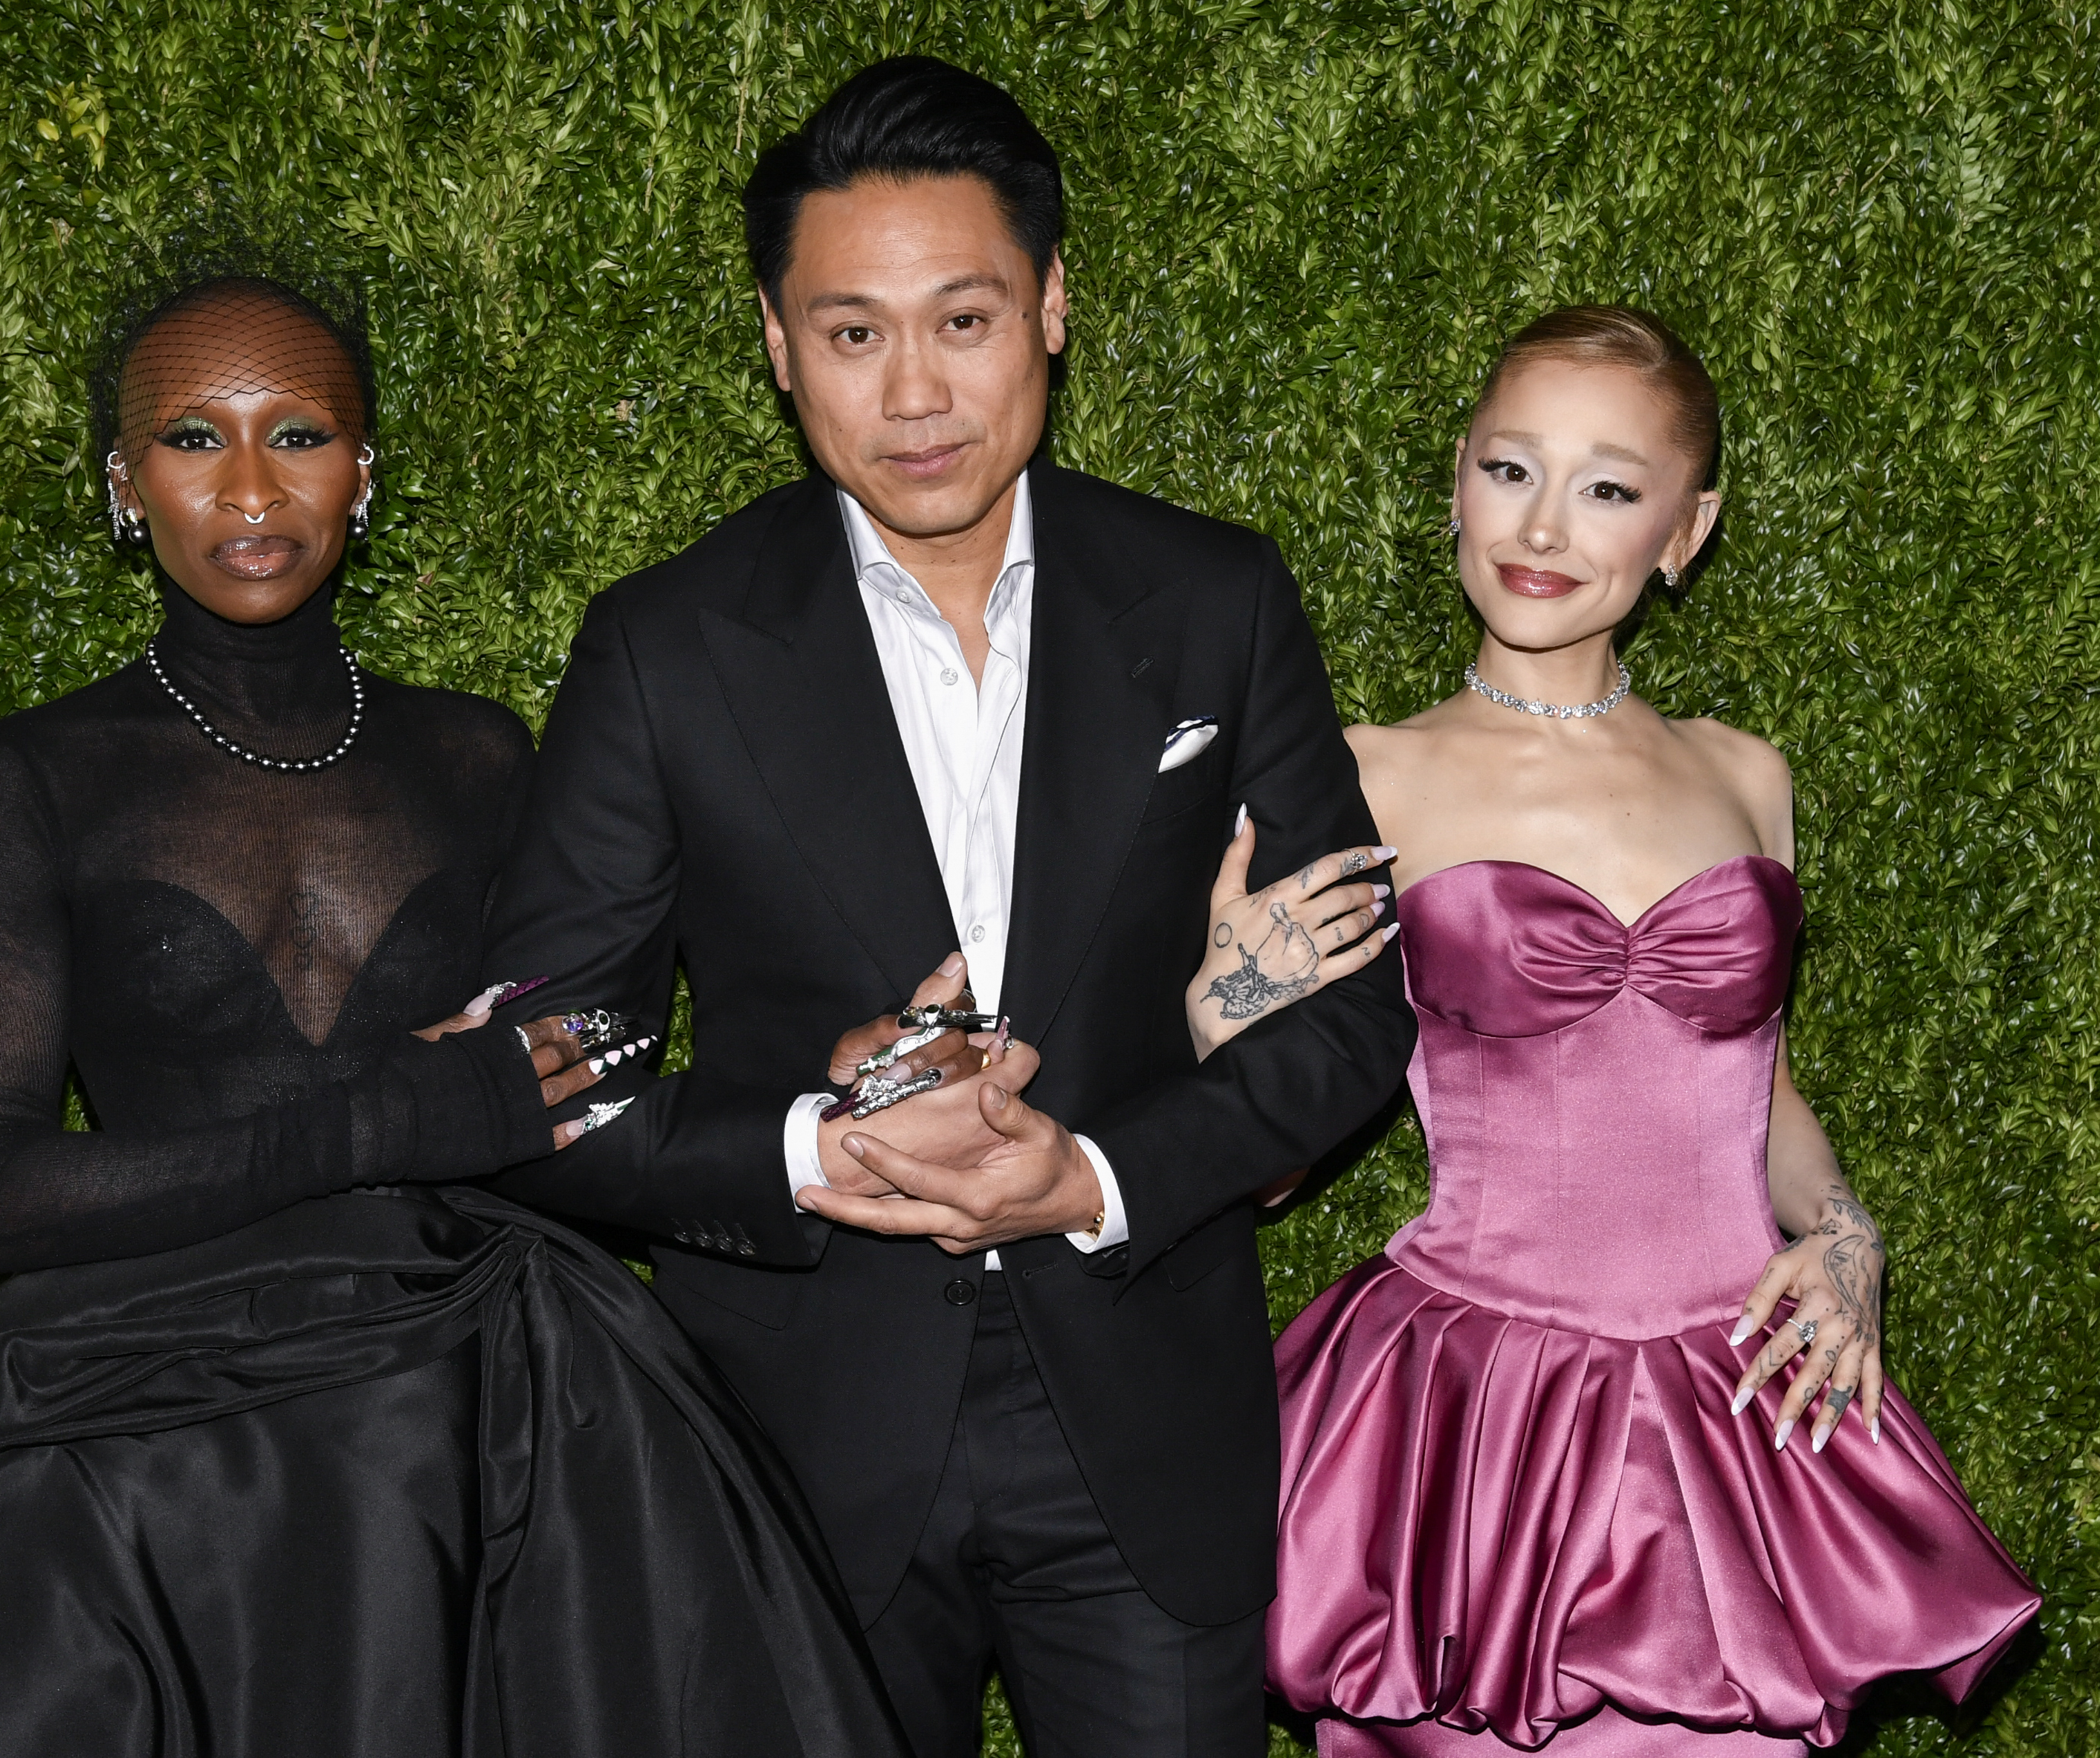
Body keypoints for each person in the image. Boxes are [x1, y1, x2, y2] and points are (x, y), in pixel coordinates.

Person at [0, 268, 909, 1758]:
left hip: (488, 1391)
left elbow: (579, 1082)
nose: (252, 484)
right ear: (123, 483)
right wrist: (380, 1121)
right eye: (194, 438)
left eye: (300, 432)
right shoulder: (34, 776)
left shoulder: (477, 755)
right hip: (156, 1423)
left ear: (363, 473)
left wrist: (822, 1094)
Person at [477, 56, 1414, 1758]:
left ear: (1051, 307)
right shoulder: (665, 646)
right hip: (795, 1441)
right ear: (776, 344)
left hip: (1142, 1414)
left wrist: (1099, 1173)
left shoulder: (1213, 600)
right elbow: (545, 1070)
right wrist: (804, 1143)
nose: (913, 390)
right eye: (850, 333)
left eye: (963, 319)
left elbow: (1358, 1010)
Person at [1189, 306, 2039, 1754]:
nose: (1542, 525)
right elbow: (1261, 1168)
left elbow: (1750, 1092)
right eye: (1511, 468)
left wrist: (1844, 1237)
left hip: (1736, 1415)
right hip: (1478, 1427)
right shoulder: (1359, 778)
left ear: (1684, 530)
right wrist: (1224, 1010)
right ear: (1457, 475)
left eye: (1606, 487)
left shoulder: (1746, 776)